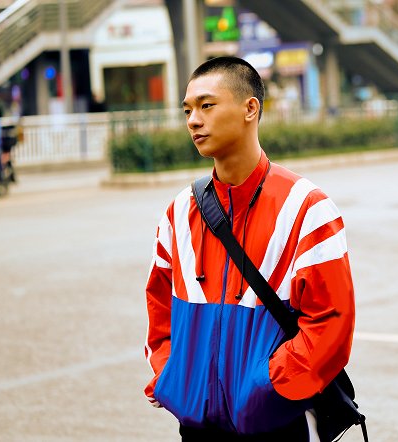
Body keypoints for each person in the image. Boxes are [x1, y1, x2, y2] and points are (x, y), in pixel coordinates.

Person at [144, 56, 356, 441]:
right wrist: (173, 378)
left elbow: (331, 321)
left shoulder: (307, 209)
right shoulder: (178, 213)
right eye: (188, 110)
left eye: (207, 106)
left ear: (250, 108)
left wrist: (267, 389)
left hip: (275, 424)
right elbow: (159, 312)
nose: (193, 120)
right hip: (196, 428)